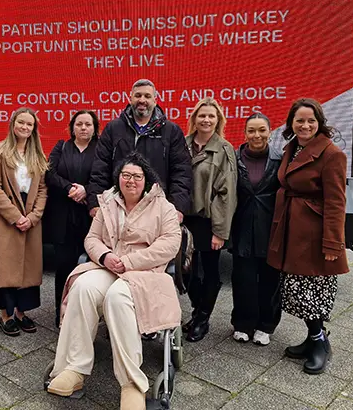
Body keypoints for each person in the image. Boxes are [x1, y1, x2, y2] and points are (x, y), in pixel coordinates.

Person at [48, 152, 181, 410]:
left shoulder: (163, 206)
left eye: (137, 176)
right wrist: (106, 256)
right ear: (118, 178)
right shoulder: (108, 203)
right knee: (83, 287)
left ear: (146, 180)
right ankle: (75, 368)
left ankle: (132, 384)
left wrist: (130, 262)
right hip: (110, 266)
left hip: (145, 272)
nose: (130, 180)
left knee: (118, 296)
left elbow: (170, 244)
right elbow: (91, 239)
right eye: (125, 175)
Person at [268, 98, 348, 374]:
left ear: (319, 123)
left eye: (310, 120)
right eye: (299, 120)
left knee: (312, 293)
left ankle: (320, 344)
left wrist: (333, 243)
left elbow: (336, 202)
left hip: (314, 234)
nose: (305, 125)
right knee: (297, 290)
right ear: (291, 122)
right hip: (293, 229)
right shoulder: (293, 148)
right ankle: (313, 338)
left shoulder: (332, 153)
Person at [0, 107, 48, 337]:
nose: (25, 127)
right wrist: (16, 217)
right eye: (21, 122)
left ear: (34, 128)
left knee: (28, 270)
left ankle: (22, 312)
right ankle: (6, 316)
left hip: (30, 217)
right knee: (5, 268)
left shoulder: (38, 155)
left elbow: (42, 189)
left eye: (29, 124)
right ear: (12, 124)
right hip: (5, 218)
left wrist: (32, 217)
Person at [87, 78, 192, 222]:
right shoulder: (113, 129)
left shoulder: (171, 131)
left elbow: (182, 172)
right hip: (118, 210)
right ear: (130, 99)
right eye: (138, 95)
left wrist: (177, 207)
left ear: (155, 101)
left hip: (158, 211)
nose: (142, 100)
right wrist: (95, 203)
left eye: (147, 96)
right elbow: (100, 168)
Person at [182, 98, 237, 342]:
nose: (206, 120)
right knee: (186, 272)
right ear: (194, 119)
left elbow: (227, 194)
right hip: (184, 221)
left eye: (211, 116)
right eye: (202, 115)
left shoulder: (224, 149)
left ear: (218, 120)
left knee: (211, 272)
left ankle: (203, 318)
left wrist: (220, 231)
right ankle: (196, 310)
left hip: (209, 221)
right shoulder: (181, 146)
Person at [230, 113, 283, 346]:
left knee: (270, 280)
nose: (257, 135)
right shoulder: (234, 158)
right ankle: (242, 323)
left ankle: (265, 325)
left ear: (269, 131)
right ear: (245, 133)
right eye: (251, 130)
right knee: (243, 279)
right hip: (242, 226)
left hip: (270, 227)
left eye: (261, 130)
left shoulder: (280, 159)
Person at [45, 110, 100, 326]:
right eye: (79, 124)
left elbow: (104, 178)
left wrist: (86, 190)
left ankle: (87, 316)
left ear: (95, 128)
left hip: (90, 217)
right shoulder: (61, 147)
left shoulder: (101, 150)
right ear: (72, 127)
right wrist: (69, 188)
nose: (84, 128)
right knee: (64, 267)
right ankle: (62, 314)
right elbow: (49, 174)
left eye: (88, 124)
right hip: (63, 217)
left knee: (89, 268)